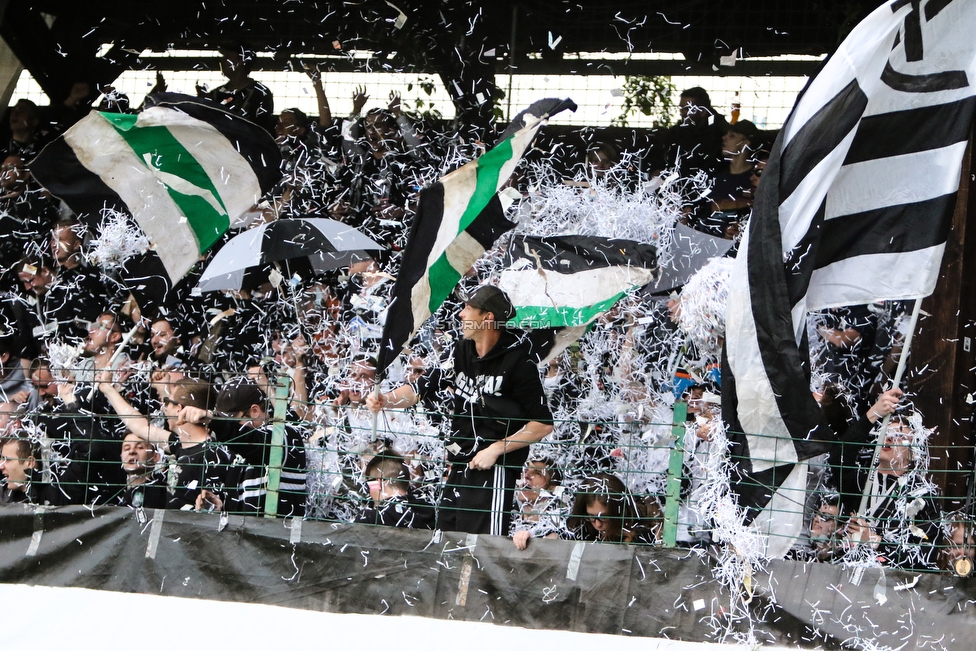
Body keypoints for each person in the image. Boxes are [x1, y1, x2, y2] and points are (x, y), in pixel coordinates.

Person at [367, 285, 554, 536]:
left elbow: (542, 424)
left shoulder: (519, 361)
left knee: (481, 548)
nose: (461, 314)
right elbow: (418, 390)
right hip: (459, 465)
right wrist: (385, 399)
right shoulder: (460, 349)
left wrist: (496, 449)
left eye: (468, 308)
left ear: (487, 318)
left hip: (494, 471)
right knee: (447, 541)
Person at [566, 472, 655, 544]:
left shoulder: (642, 534)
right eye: (592, 516)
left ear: (619, 511)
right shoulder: (580, 527)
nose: (598, 524)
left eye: (604, 517)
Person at [356, 452, 433, 529]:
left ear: (378, 483)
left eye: (369, 484)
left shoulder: (369, 518)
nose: (369, 492)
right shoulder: (431, 513)